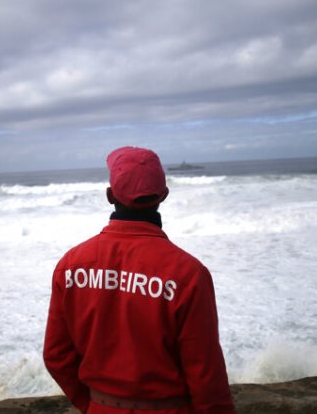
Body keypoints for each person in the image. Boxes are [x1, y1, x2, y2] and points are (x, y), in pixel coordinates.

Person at [44, 147, 236, 414]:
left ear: (110, 196)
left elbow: (56, 356)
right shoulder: (189, 274)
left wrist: (91, 404)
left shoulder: (71, 265)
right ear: (163, 196)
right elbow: (205, 375)